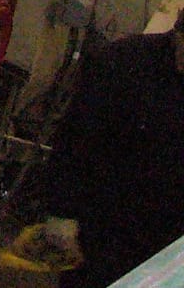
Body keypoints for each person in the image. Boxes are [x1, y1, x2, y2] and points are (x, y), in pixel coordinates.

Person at [22, 20, 184, 286]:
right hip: (103, 227)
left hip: (164, 241)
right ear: (176, 33)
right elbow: (74, 140)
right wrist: (62, 213)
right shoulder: (123, 62)